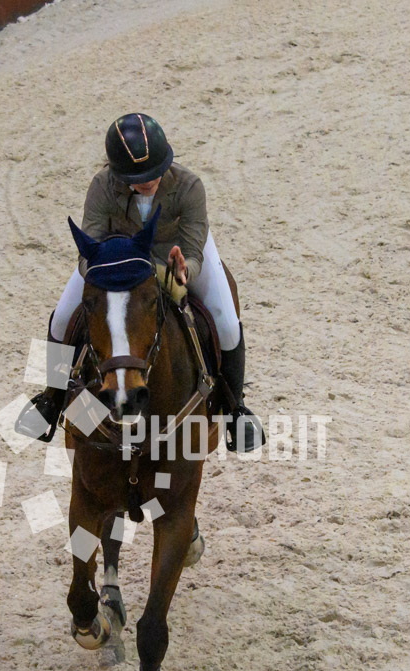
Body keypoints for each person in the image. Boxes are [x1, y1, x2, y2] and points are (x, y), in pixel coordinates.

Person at [28, 112, 263, 452]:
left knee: (226, 323)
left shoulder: (190, 186)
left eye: (154, 172)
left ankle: (235, 409)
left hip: (174, 254)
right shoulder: (102, 186)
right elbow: (87, 251)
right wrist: (108, 268)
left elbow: (193, 251)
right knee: (62, 317)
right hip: (118, 261)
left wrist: (183, 272)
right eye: (138, 178)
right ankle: (51, 400)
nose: (148, 181)